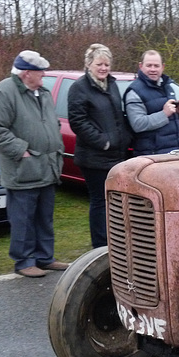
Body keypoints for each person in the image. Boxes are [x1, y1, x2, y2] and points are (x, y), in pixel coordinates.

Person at [0, 50, 68, 277]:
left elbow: (51, 123)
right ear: (27, 73)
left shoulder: (43, 92)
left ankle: (45, 257)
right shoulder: (5, 91)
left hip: (47, 166)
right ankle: (24, 261)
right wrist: (21, 150)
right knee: (23, 218)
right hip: (22, 170)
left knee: (44, 217)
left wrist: (56, 146)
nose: (44, 75)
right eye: (40, 71)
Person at [68, 44, 132, 248]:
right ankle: (100, 246)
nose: (103, 68)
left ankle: (116, 242)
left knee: (115, 202)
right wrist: (102, 142)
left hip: (116, 155)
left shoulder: (111, 85)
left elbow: (117, 116)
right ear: (89, 65)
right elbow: (78, 121)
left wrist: (125, 138)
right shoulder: (79, 88)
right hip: (93, 157)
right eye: (99, 64)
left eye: (107, 64)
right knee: (99, 201)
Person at [124, 50, 179, 156]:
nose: (153, 69)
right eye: (149, 65)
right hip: (153, 156)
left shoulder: (167, 86)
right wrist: (164, 114)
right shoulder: (134, 91)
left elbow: (172, 121)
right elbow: (138, 124)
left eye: (156, 66)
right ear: (141, 66)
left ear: (163, 67)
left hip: (176, 152)